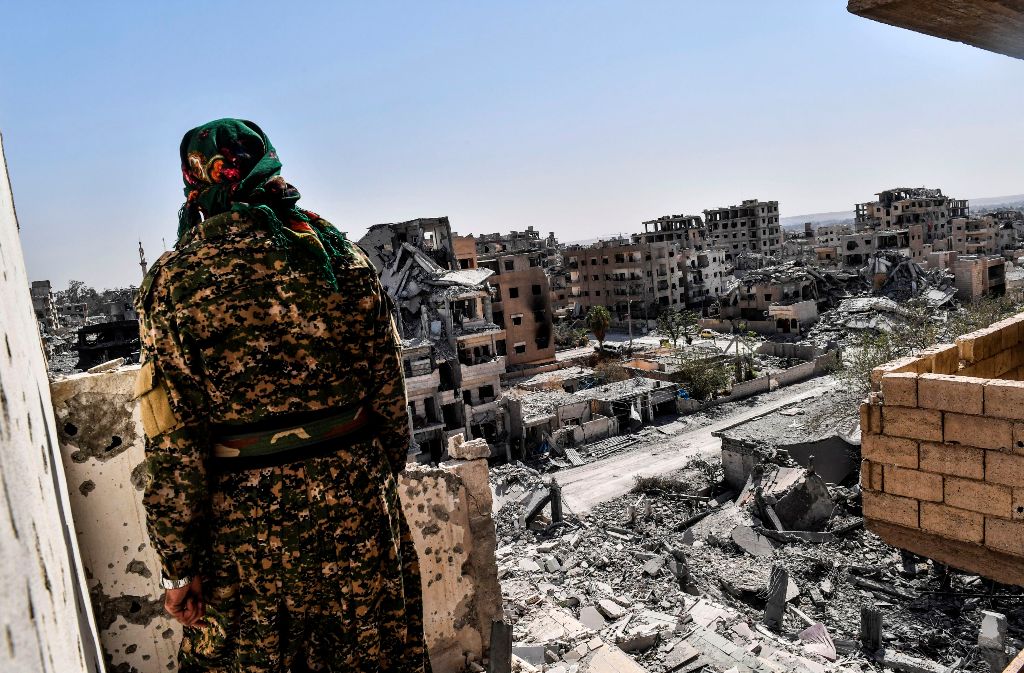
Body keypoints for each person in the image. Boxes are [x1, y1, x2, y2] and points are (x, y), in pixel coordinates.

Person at [134, 118, 429, 673]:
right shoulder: (339, 257)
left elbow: (174, 443)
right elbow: (390, 397)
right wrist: (367, 478)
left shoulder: (173, 284)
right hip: (357, 505)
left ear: (194, 181)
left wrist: (180, 565)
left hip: (244, 531)